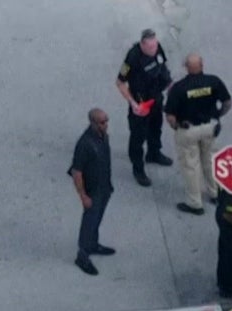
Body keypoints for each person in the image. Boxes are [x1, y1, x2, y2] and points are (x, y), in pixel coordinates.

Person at [164, 53, 232, 215]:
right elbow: (227, 103)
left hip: (188, 130)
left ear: (186, 67)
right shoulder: (213, 81)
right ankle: (215, 193)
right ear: (202, 65)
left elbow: (170, 116)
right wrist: (217, 116)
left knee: (190, 166)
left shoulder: (178, 88)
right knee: (211, 161)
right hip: (210, 127)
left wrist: (177, 127)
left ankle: (195, 203)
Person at [116, 29, 175, 187]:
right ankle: (138, 169)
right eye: (150, 47)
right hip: (140, 102)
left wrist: (170, 86)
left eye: (155, 45)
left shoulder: (157, 47)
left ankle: (154, 153)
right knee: (138, 136)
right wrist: (132, 103)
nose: (153, 49)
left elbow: (163, 66)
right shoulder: (132, 57)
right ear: (142, 44)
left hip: (156, 96)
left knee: (156, 128)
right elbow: (120, 83)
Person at [68, 108, 116, 276]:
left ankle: (93, 244)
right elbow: (76, 172)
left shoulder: (104, 138)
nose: (106, 125)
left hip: (104, 188)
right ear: (93, 123)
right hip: (92, 191)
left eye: (107, 120)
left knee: (97, 220)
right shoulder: (85, 143)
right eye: (103, 122)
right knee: (89, 222)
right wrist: (83, 195)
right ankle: (82, 255)